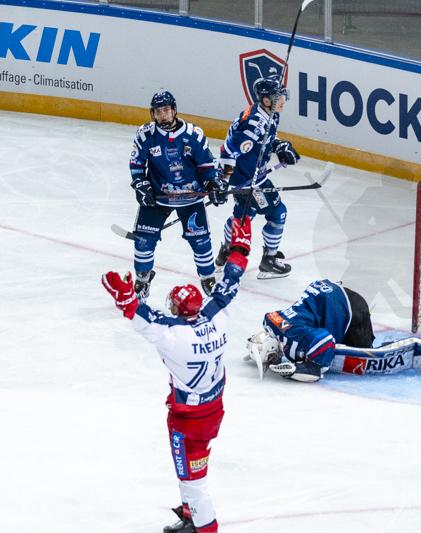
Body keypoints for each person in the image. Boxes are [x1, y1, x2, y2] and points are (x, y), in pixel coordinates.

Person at [102, 216, 252, 533]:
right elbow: (231, 279)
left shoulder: (172, 335)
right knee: (191, 471)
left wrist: (126, 298)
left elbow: (140, 316)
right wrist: (239, 247)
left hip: (188, 420)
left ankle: (203, 526)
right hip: (214, 408)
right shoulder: (219, 315)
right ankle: (189, 516)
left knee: (193, 479)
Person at [129, 90, 229, 301]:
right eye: (158, 112)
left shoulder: (193, 134)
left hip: (190, 197)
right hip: (158, 197)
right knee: (144, 240)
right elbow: (137, 164)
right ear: (152, 114)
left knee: (200, 240)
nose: (163, 115)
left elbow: (207, 165)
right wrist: (141, 185)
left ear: (174, 110)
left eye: (166, 110)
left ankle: (208, 279)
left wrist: (212, 183)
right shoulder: (145, 134)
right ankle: (142, 280)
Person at [245, 279, 421, 382]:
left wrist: (303, 369)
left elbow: (325, 344)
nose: (272, 361)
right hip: (332, 293)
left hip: (352, 310)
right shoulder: (270, 320)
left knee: (368, 354)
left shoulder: (292, 336)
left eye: (270, 358)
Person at [215, 75, 301, 279]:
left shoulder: (268, 114)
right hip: (249, 180)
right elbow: (228, 151)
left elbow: (266, 138)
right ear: (265, 100)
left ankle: (226, 251)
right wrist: (221, 181)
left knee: (245, 214)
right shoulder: (253, 123)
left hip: (248, 176)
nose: (283, 101)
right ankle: (269, 260)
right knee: (278, 212)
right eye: (278, 97)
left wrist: (279, 145)